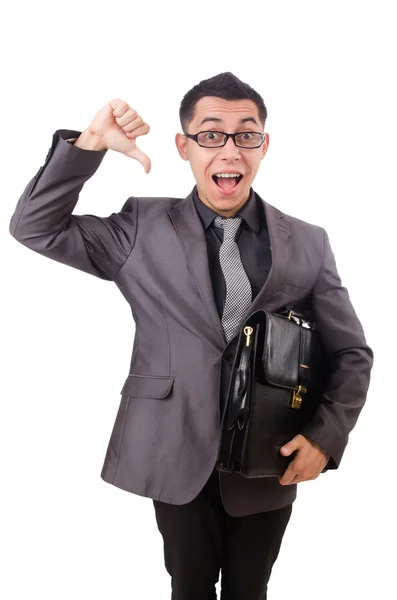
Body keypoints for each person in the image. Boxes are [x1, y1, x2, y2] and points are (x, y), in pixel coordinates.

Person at [9, 72, 373, 600]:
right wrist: (89, 146)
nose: (229, 149)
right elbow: (34, 228)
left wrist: (326, 436)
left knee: (251, 587)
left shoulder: (308, 243)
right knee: (190, 585)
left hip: (270, 453)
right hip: (173, 445)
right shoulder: (140, 226)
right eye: (211, 134)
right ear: (184, 146)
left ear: (263, 145)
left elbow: (352, 353)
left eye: (245, 134)